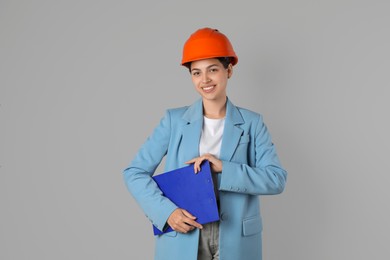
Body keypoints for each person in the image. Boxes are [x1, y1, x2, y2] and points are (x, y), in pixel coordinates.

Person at [123, 27, 287, 260]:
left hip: (236, 238)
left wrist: (224, 168)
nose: (205, 80)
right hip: (184, 234)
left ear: (228, 70)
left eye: (213, 70)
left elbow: (276, 179)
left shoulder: (252, 123)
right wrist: (167, 213)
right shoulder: (174, 121)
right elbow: (134, 172)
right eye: (196, 73)